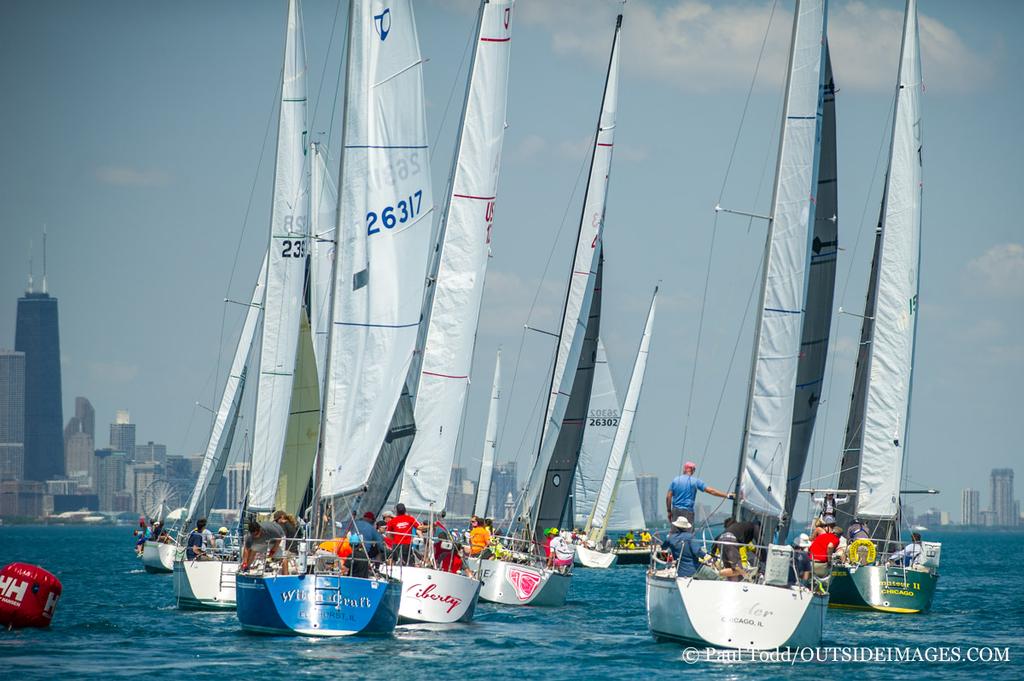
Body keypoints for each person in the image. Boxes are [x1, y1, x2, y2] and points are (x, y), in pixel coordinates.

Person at [665, 461, 733, 525]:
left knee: (675, 532)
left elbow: (668, 497)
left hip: (675, 511)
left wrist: (669, 511)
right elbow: (712, 491)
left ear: (685, 469)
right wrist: (727, 495)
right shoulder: (695, 481)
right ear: (692, 470)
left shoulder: (675, 480)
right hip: (688, 512)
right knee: (687, 532)